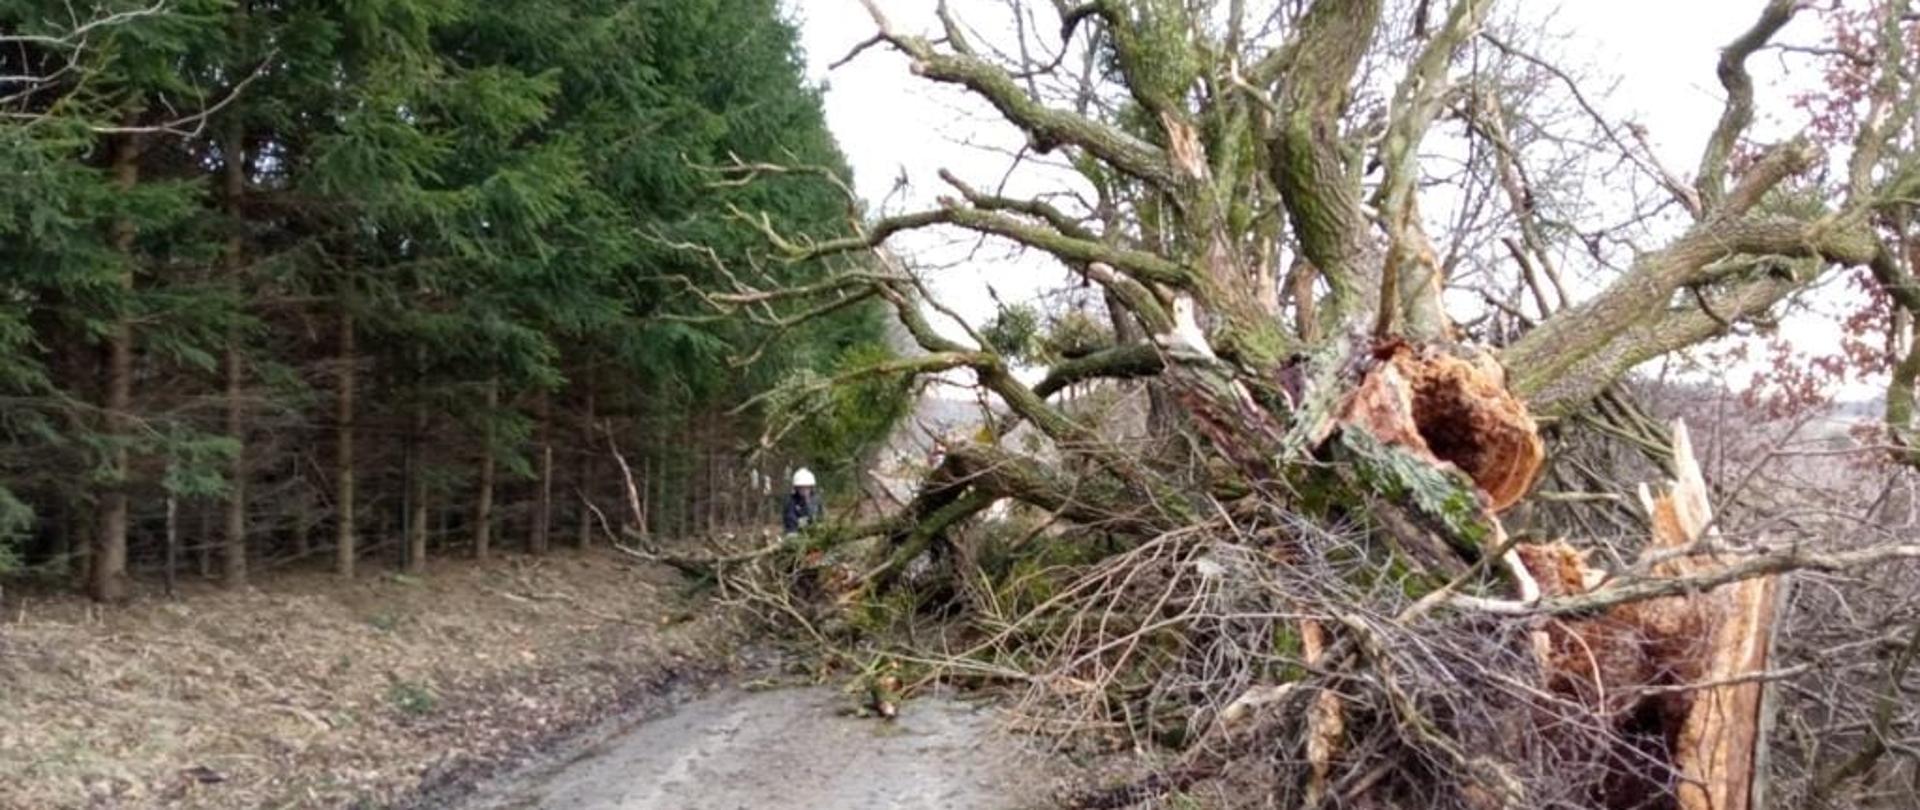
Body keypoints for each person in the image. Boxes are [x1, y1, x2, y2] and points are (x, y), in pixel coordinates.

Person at [782, 467, 823, 534]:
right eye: (801, 487)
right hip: (796, 533)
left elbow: (821, 517)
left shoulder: (816, 500)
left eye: (807, 487)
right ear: (796, 488)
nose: (805, 490)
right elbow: (790, 521)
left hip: (815, 533)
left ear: (811, 487)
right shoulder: (791, 501)